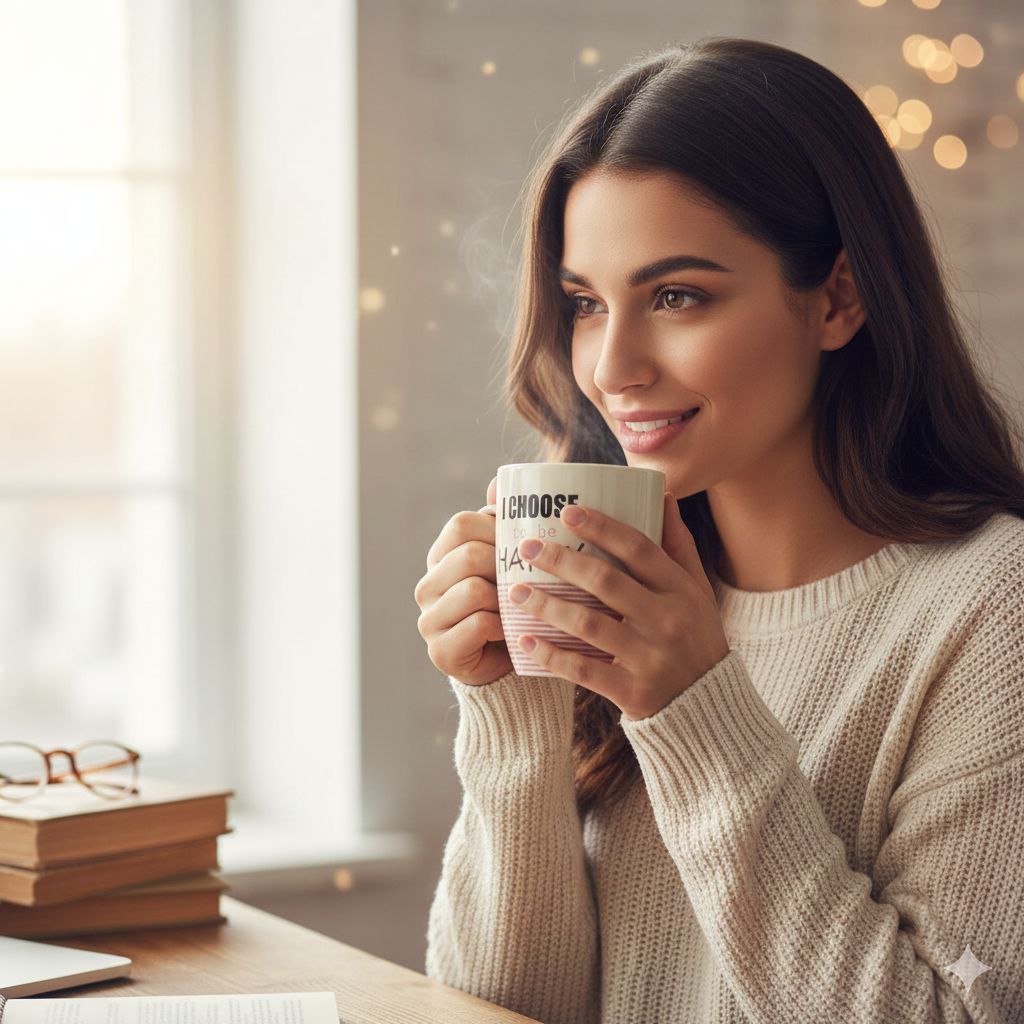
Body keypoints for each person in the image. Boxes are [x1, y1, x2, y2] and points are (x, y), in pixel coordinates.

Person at [413, 36, 1024, 1024]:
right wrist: (508, 708)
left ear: (837, 297)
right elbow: (511, 1008)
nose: (612, 366)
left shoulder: (989, 608)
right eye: (582, 303)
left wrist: (696, 707)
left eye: (675, 297)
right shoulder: (617, 594)